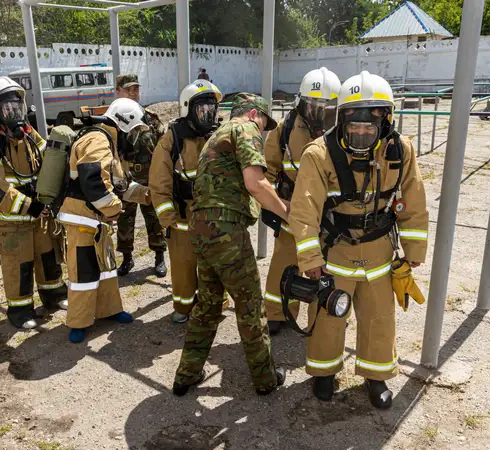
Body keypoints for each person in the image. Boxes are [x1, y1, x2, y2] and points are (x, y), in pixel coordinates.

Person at [289, 71, 428, 409]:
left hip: (380, 254)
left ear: (386, 121)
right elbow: (303, 211)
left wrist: (413, 253)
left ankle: (375, 375)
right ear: (342, 120)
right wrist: (310, 261)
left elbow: (413, 201)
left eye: (370, 127)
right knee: (328, 318)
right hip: (335, 253)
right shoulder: (318, 155)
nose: (362, 133)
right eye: (355, 126)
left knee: (380, 319)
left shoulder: (401, 150)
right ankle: (324, 372)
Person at [173, 93, 288, 396]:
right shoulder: (245, 129)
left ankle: (186, 374)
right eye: (264, 124)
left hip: (200, 228)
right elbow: (256, 183)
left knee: (208, 304)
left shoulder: (216, 136)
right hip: (225, 231)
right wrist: (289, 212)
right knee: (250, 304)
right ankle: (265, 380)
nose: (264, 132)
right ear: (253, 114)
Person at [0, 76, 67, 330]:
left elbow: (47, 153)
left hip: (39, 216)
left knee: (48, 258)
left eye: (18, 107)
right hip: (14, 222)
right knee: (20, 266)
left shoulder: (26, 133)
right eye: (8, 109)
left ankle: (54, 296)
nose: (15, 113)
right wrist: (31, 205)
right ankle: (20, 310)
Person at [56, 97, 151, 343]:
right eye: (134, 130)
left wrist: (148, 195)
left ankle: (109, 310)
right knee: (83, 273)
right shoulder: (97, 140)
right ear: (125, 124)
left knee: (106, 269)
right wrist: (114, 209)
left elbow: (120, 184)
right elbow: (94, 182)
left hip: (97, 222)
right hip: (82, 221)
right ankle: (78, 321)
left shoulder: (107, 141)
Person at [262, 67, 341, 335]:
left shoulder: (344, 132)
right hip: (291, 212)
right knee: (283, 266)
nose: (318, 113)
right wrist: (274, 204)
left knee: (324, 269)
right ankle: (276, 313)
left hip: (329, 216)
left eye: (326, 107)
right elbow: (268, 167)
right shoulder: (286, 128)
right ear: (301, 102)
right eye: (312, 105)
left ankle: (320, 319)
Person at [150, 79, 222, 323]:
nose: (208, 115)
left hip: (214, 216)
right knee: (183, 267)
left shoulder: (220, 136)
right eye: (202, 109)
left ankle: (215, 304)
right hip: (182, 218)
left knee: (214, 265)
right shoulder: (172, 140)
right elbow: (159, 184)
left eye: (212, 109)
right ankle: (183, 308)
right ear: (188, 110)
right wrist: (168, 220)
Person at [112, 74, 167, 278]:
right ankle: (127, 258)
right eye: (128, 89)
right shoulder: (111, 120)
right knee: (125, 219)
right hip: (124, 178)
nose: (133, 93)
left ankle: (159, 257)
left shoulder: (150, 118)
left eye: (136, 89)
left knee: (154, 218)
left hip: (149, 178)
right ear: (118, 91)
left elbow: (163, 147)